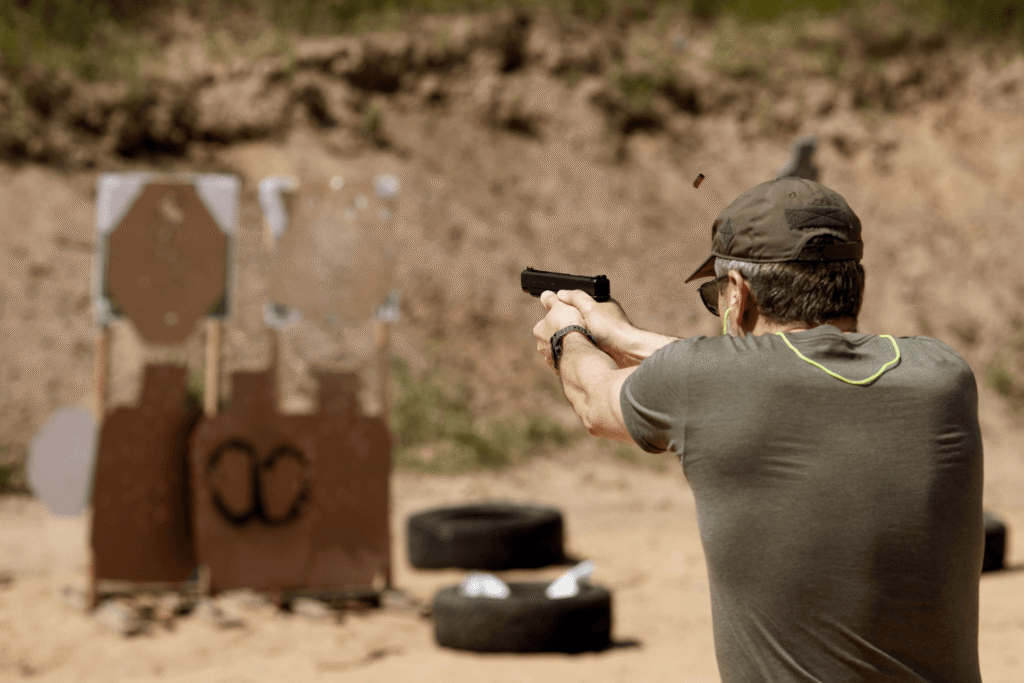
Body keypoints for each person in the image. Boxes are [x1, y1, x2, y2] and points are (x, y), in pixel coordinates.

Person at [532, 177, 984, 682]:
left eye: (715, 295)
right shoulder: (941, 374)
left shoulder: (701, 380)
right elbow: (754, 373)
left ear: (739, 295)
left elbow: (596, 402)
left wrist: (567, 333)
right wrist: (626, 336)